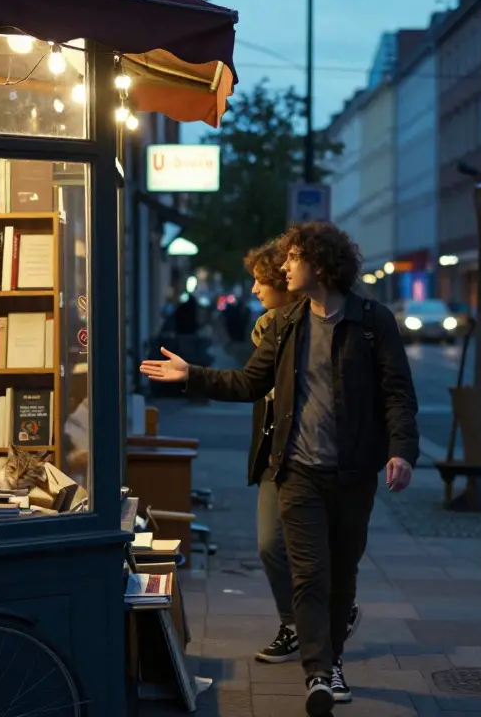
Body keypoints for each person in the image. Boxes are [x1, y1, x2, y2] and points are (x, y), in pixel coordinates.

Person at [140, 222, 419, 715]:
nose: (284, 266)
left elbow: (397, 393)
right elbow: (250, 382)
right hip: (298, 471)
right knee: (309, 573)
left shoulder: (374, 322)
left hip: (354, 473)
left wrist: (402, 451)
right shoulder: (287, 323)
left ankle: (329, 661)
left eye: (293, 258)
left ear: (320, 264)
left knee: (341, 573)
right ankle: (320, 673)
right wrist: (192, 376)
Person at [240, 240, 363, 668]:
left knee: (316, 552)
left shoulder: (310, 325)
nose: (255, 289)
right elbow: (248, 385)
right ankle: (299, 623)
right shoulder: (269, 330)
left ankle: (318, 636)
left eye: (261, 281)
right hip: (280, 456)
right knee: (271, 544)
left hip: (320, 459)